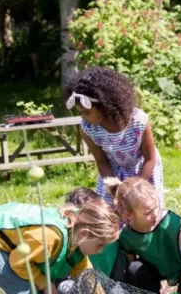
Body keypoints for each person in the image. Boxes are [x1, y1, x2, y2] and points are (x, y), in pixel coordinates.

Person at [65, 67, 164, 206]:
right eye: (80, 113)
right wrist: (115, 190)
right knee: (111, 213)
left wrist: (136, 188)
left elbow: (150, 159)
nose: (83, 117)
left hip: (143, 172)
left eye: (87, 112)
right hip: (112, 174)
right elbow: (102, 162)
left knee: (145, 209)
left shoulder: (137, 121)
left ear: (105, 105)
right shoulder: (88, 129)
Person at [107, 177, 181, 294]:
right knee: (135, 269)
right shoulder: (127, 236)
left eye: (156, 207)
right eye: (147, 212)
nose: (154, 214)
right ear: (128, 214)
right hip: (159, 267)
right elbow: (132, 269)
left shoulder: (169, 221)